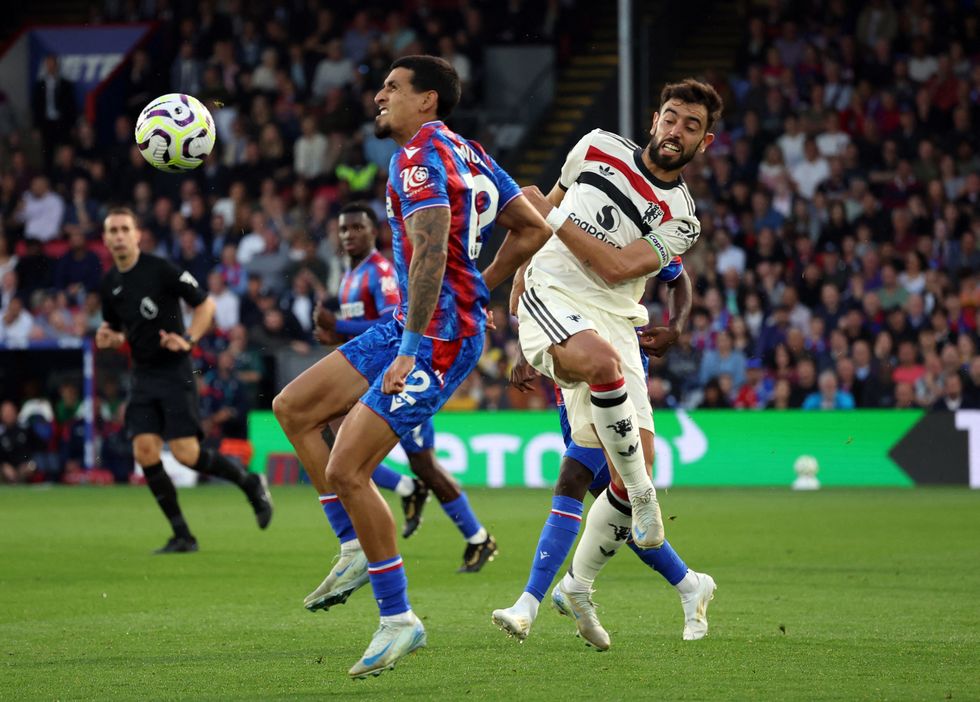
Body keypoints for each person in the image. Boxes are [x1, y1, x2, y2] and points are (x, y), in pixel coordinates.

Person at [272, 55, 550, 678]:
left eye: (394, 88)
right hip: (415, 325)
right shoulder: (467, 150)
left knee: (347, 463)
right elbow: (532, 226)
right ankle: (351, 544)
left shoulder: (420, 158)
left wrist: (412, 346)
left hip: (436, 338)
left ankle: (399, 619)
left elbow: (428, 251)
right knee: (292, 408)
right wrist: (479, 285)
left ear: (427, 100)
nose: (379, 96)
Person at [513, 77, 722, 644]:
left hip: (617, 324)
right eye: (672, 117)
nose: (677, 131)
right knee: (580, 470)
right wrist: (511, 291)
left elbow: (612, 266)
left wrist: (676, 326)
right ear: (654, 119)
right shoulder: (595, 145)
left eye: (692, 126)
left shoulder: (683, 219)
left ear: (704, 143)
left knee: (630, 481)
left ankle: (586, 585)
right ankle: (533, 598)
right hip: (555, 300)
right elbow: (538, 219)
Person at [492, 259, 716, 649]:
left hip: (614, 364)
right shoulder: (554, 229)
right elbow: (528, 293)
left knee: (572, 477)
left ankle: (529, 603)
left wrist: (676, 327)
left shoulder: (627, 224)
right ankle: (689, 584)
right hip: (569, 371)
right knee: (616, 511)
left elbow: (678, 277)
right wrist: (526, 354)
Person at [301, 201, 499, 615]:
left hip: (404, 370)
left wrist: (339, 327)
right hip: (374, 375)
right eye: (343, 229)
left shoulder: (382, 273)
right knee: (342, 448)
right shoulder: (350, 277)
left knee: (421, 464)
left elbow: (398, 321)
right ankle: (410, 496)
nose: (348, 235)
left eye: (356, 227)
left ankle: (477, 536)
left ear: (374, 232)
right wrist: (335, 339)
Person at [96, 208, 273, 554]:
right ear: (105, 238)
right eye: (112, 230)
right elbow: (117, 330)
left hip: (175, 370)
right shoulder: (109, 285)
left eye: (124, 229)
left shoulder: (159, 269)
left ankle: (250, 482)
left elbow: (204, 305)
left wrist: (188, 340)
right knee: (144, 451)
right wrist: (111, 339)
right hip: (143, 375)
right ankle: (183, 535)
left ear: (136, 235)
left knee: (186, 453)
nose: (118, 235)